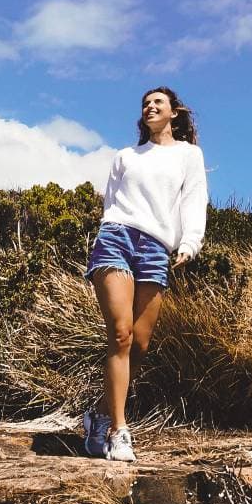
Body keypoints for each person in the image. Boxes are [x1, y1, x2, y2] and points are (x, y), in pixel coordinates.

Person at [82, 86, 207, 461]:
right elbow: (110, 202)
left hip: (155, 248)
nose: (150, 107)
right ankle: (119, 431)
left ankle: (99, 416)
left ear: (174, 113)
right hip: (116, 238)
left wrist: (190, 242)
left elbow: (193, 200)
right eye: (146, 104)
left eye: (158, 103)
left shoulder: (189, 155)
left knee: (139, 344)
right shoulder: (125, 157)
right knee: (119, 334)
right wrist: (110, 228)